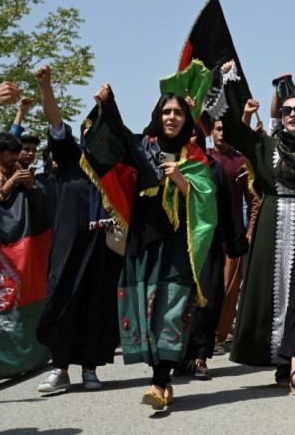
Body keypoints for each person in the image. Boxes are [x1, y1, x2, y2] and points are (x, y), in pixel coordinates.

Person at [83, 83, 216, 410]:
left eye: (178, 112)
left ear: (187, 119)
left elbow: (207, 203)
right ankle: (164, 378)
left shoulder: (194, 156)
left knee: (169, 311)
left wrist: (181, 179)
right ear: (158, 116)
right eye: (166, 112)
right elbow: (119, 140)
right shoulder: (144, 146)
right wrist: (108, 105)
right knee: (146, 312)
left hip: (177, 243)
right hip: (143, 238)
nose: (172, 117)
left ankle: (158, 382)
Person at [210, 61, 295, 397]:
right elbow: (233, 129)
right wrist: (229, 81)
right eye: (288, 109)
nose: (292, 114)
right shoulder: (266, 146)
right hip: (273, 233)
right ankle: (283, 365)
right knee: (274, 298)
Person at [33, 65, 124, 395]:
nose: (96, 133)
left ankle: (90, 368)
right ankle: (60, 369)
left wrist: (108, 108)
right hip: (68, 245)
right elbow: (55, 121)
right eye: (91, 127)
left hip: (101, 247)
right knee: (63, 300)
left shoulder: (116, 169)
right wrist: (46, 87)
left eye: (102, 128)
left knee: (96, 303)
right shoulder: (70, 156)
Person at [179, 124, 247, 379]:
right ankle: (177, 357)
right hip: (178, 246)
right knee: (177, 302)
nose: (193, 138)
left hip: (209, 245)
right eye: (189, 134)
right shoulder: (172, 165)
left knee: (206, 301)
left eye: (197, 133)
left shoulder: (213, 168)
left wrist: (235, 242)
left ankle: (199, 356)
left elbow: (228, 208)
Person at [208, 119, 260, 354]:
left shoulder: (242, 162)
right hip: (204, 236)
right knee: (205, 288)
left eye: (225, 129)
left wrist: (249, 233)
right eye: (218, 128)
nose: (222, 133)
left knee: (228, 289)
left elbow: (255, 202)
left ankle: (218, 337)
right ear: (210, 132)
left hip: (233, 236)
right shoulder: (202, 158)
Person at [0, 132, 35, 202]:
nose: (15, 157)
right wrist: (12, 181)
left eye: (17, 154)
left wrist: (29, 188)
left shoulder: (17, 170)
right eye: (11, 153)